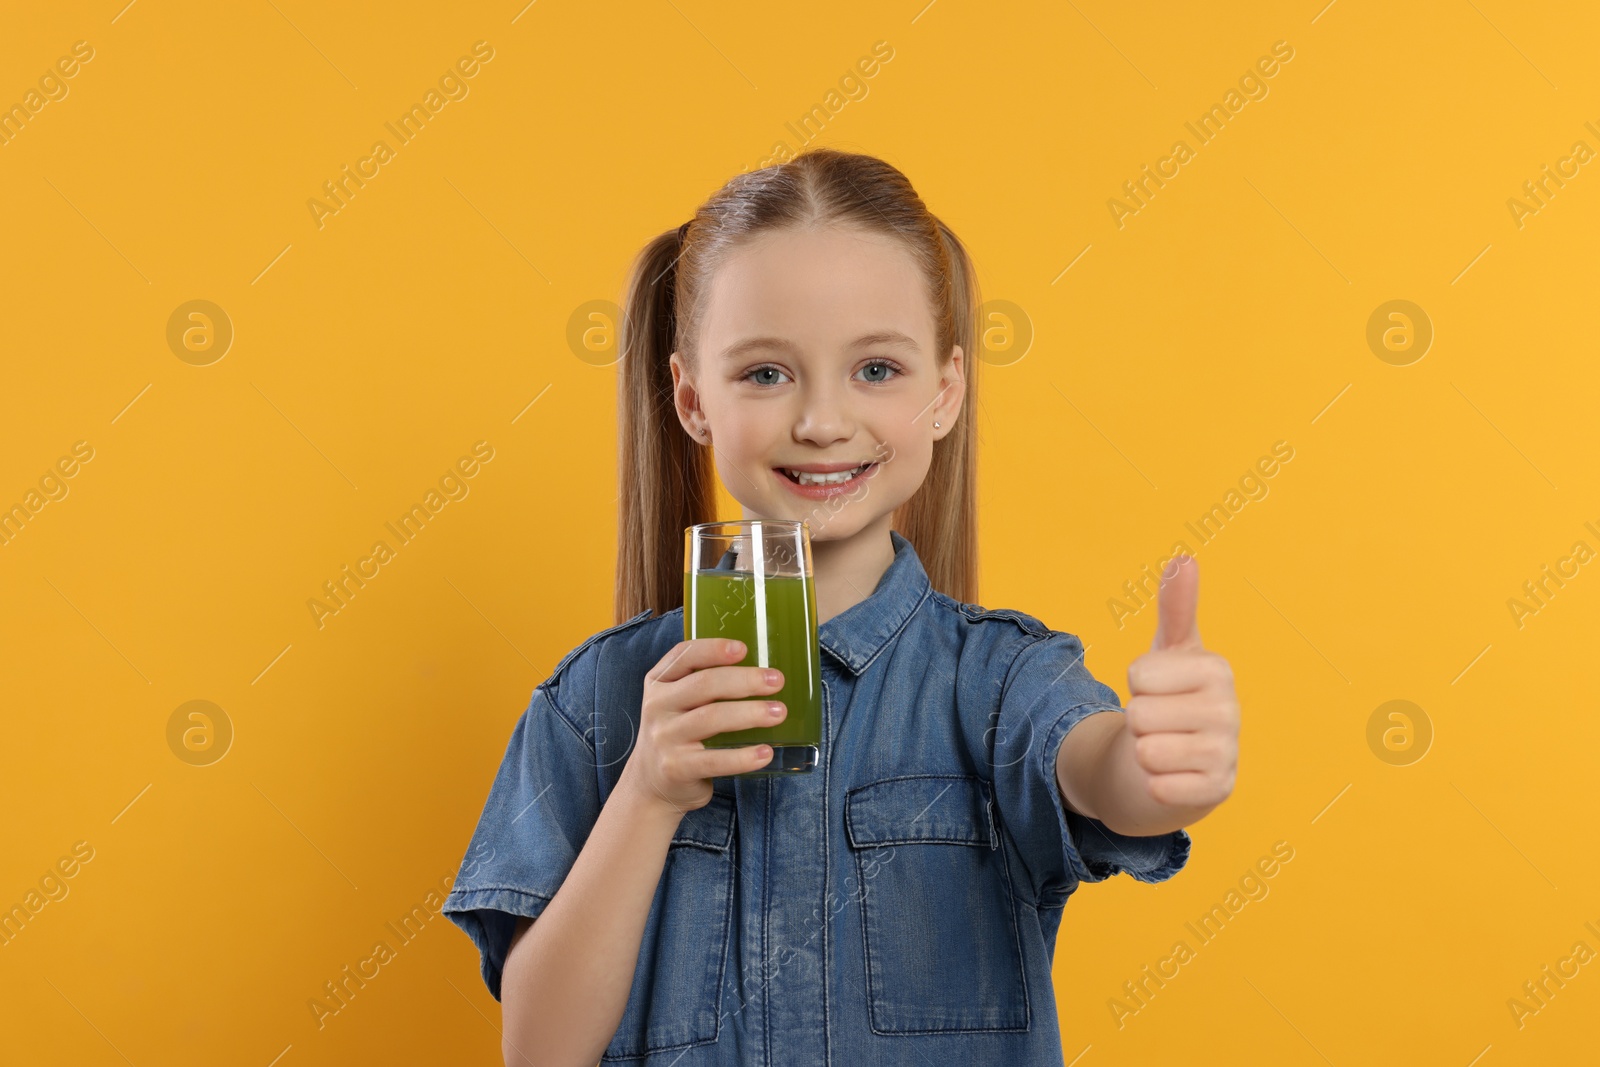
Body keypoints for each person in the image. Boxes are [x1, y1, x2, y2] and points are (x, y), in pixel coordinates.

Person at [442, 147, 1241, 1066]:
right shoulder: (592, 703)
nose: (823, 419)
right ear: (691, 399)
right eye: (767, 374)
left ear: (944, 393)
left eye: (875, 370)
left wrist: (1155, 764)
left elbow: (1097, 772)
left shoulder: (998, 683)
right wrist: (648, 793)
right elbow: (538, 1051)